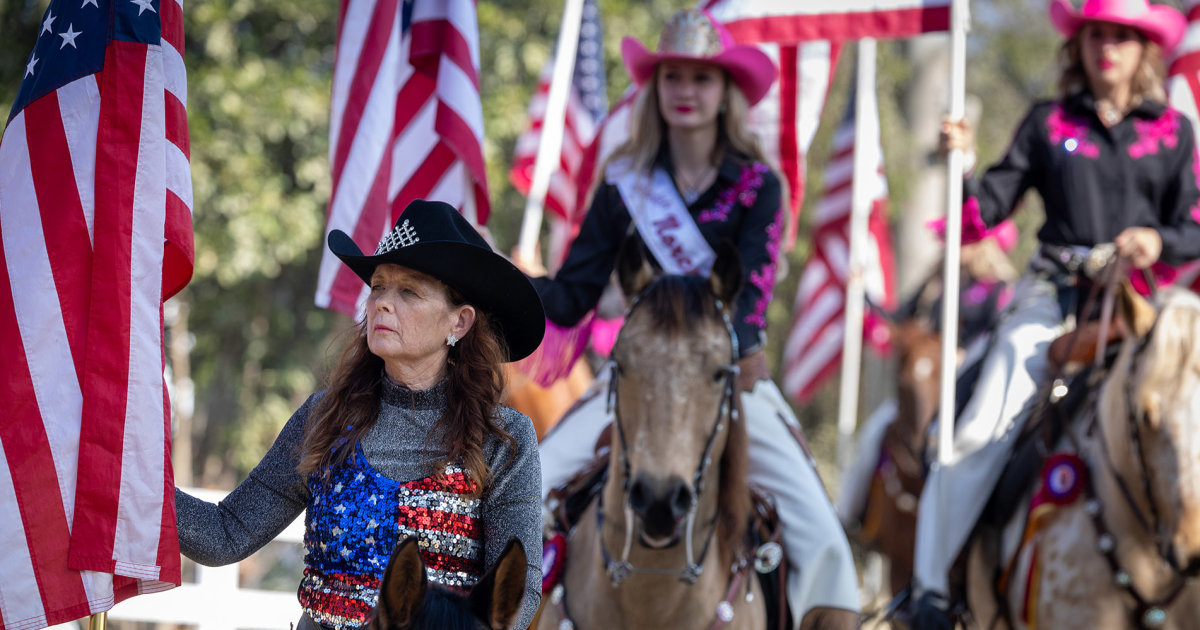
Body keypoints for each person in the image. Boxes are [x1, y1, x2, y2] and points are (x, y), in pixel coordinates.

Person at [526, 9, 860, 628]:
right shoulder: (622, 183)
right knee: (529, 483)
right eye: (672, 77)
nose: (685, 91)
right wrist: (504, 285)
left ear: (725, 91)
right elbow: (573, 294)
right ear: (656, 89)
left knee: (826, 541)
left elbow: (751, 301)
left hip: (726, 380)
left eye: (701, 79)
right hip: (631, 381)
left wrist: (699, 357)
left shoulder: (760, 185)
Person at [911, 0, 1200, 624]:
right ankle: (932, 588)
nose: (1108, 48)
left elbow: (1195, 224)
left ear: (1143, 47)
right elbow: (983, 214)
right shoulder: (1047, 122)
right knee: (979, 427)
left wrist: (1157, 242)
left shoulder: (1175, 132)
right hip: (1055, 300)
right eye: (1096, 34)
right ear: (1079, 44)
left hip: (1143, 312)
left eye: (1121, 35)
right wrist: (958, 165)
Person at [175, 200, 547, 630]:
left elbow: (523, 586)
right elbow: (225, 535)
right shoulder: (323, 416)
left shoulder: (504, 436)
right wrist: (124, 483)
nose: (382, 304)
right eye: (377, 287)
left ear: (459, 323)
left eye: (408, 291)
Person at [837, 220, 1018, 531]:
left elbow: (998, 335)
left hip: (969, 387)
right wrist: (864, 293)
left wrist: (965, 353)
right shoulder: (937, 284)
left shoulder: (1000, 291)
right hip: (927, 379)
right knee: (875, 432)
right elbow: (898, 316)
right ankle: (849, 515)